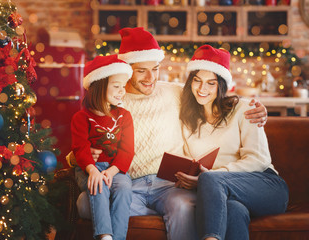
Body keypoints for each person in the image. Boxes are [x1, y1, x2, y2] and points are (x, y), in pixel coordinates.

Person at [75, 27, 269, 240]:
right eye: (142, 71)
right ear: (127, 70)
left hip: (169, 183)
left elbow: (211, 94)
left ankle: (168, 211)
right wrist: (76, 157)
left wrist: (254, 108)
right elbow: (83, 139)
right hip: (130, 183)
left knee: (183, 206)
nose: (151, 78)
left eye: (156, 68)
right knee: (85, 204)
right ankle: (157, 212)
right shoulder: (112, 100)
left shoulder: (175, 92)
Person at [177, 45, 289, 240]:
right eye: (197, 80)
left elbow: (259, 159)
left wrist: (211, 178)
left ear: (221, 86)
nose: (202, 89)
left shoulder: (244, 109)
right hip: (226, 194)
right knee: (233, 210)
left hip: (267, 186)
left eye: (211, 83)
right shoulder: (188, 119)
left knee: (210, 179)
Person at [71, 54, 135, 240]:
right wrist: (93, 171)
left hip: (116, 170)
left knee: (123, 189)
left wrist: (112, 171)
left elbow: (127, 150)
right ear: (99, 86)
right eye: (116, 86)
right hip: (89, 168)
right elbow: (81, 149)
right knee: (98, 186)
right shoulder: (81, 118)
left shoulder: (124, 117)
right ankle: (105, 236)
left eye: (123, 87)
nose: (122, 91)